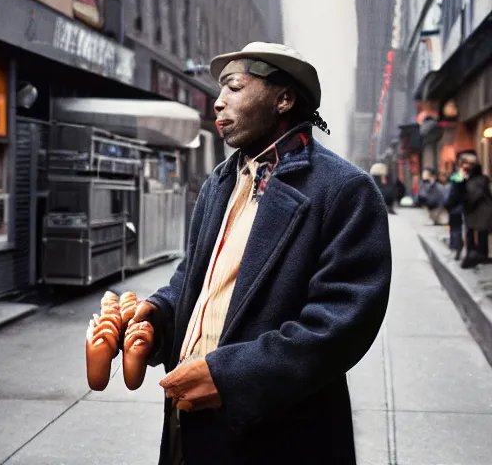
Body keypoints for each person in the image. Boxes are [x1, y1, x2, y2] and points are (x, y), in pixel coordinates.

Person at [125, 42, 392, 464]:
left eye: (233, 87)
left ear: (282, 99)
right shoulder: (221, 180)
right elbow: (196, 277)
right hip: (192, 421)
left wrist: (231, 378)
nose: (218, 101)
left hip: (278, 436)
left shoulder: (343, 189)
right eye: (220, 90)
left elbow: (342, 323)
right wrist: (159, 313)